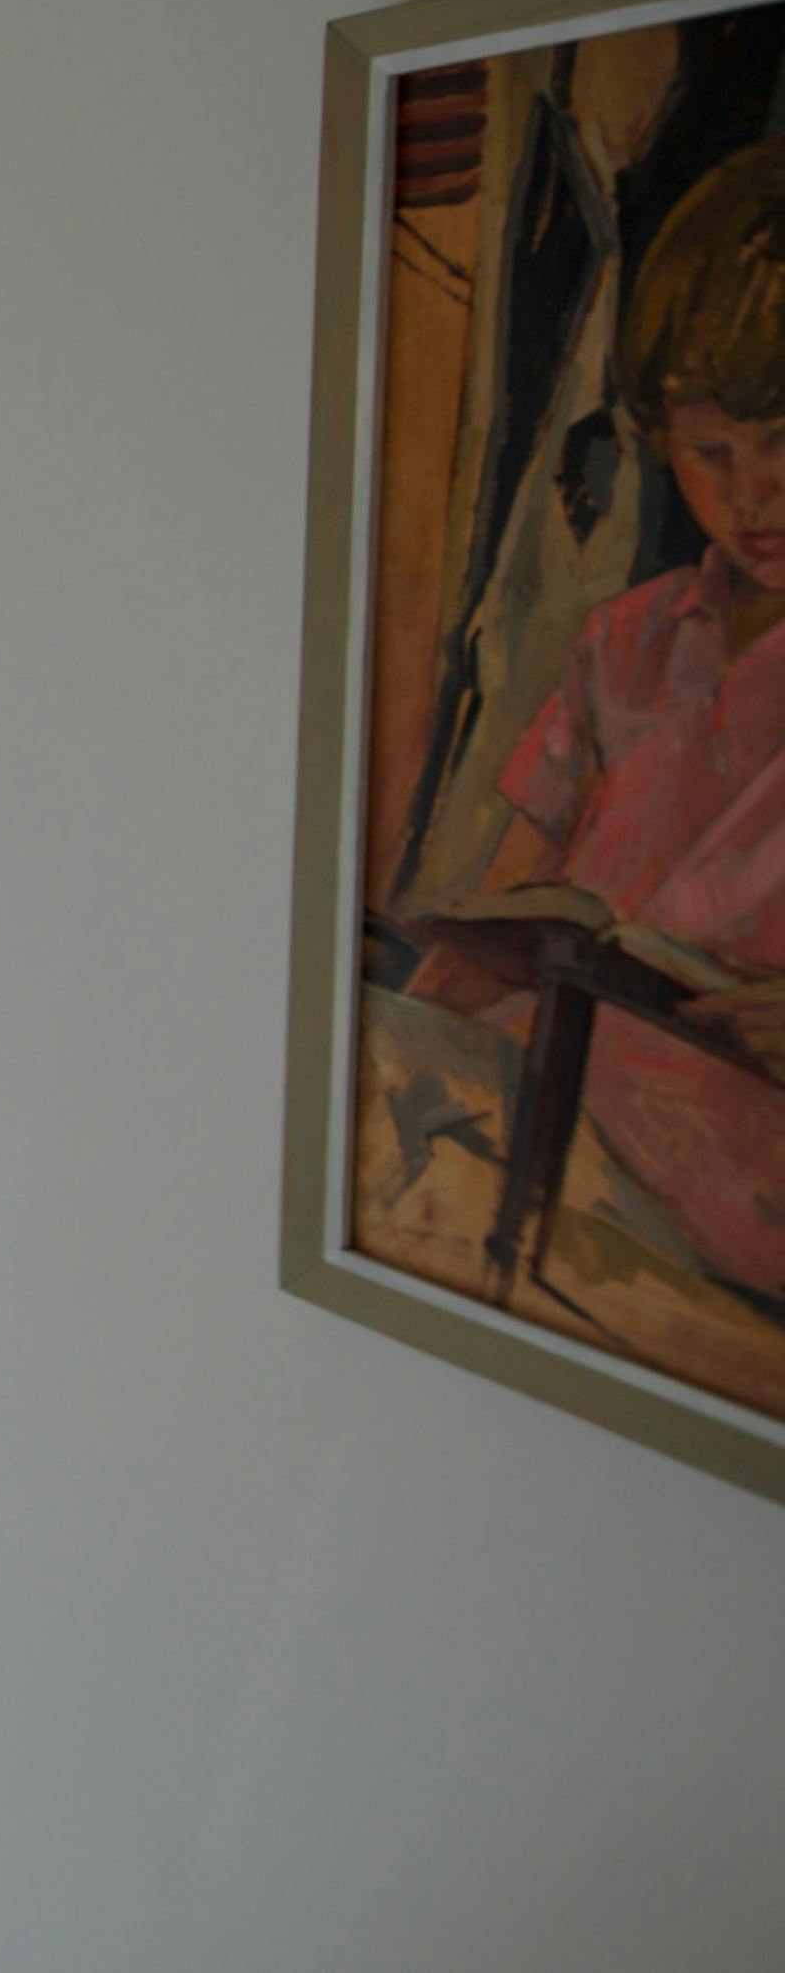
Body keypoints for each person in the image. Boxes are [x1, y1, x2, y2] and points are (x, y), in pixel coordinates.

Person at [413, 140, 785, 1299]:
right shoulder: (625, 641)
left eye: (781, 446)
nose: (750, 496)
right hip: (549, 1105)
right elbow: (519, 899)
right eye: (709, 455)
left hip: (736, 1185)